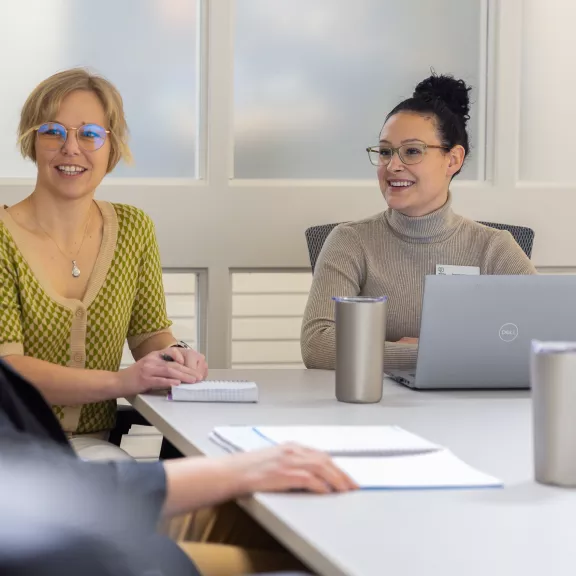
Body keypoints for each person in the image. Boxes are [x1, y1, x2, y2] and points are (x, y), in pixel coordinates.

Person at [0, 68, 208, 454]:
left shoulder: (133, 228)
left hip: (89, 449)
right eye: (53, 132)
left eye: (90, 134)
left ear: (112, 147)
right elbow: (8, 369)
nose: (71, 148)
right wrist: (122, 382)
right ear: (32, 141)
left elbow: (149, 335)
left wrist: (174, 357)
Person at [0, 357, 356, 575]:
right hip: (75, 553)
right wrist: (236, 470)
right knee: (314, 564)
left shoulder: (129, 233)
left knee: (298, 528)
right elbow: (49, 493)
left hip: (70, 519)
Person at [301, 73, 537, 372]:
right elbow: (317, 345)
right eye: (385, 152)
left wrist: (417, 351)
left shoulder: (494, 248)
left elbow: (542, 338)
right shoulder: (350, 241)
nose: (393, 165)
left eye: (412, 151)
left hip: (470, 412)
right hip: (372, 408)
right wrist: (430, 354)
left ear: (453, 160)